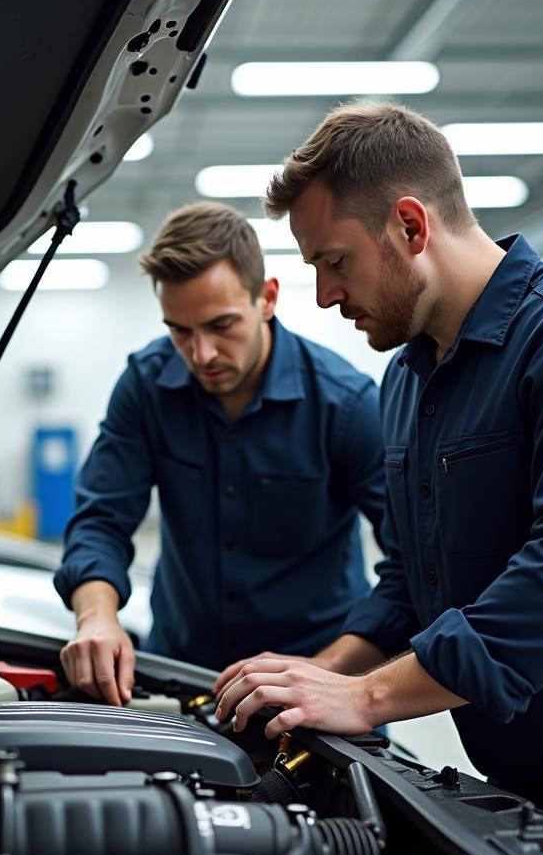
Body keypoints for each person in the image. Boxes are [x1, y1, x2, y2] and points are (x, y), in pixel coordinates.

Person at [214, 101, 543, 855]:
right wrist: (316, 677)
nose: (321, 295)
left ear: (411, 226)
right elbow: (414, 579)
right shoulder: (409, 379)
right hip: (520, 778)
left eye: (335, 261)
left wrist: (369, 696)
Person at [54, 201, 386, 706]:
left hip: (317, 688)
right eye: (180, 331)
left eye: (221, 324)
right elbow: (101, 517)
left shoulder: (346, 405)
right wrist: (95, 615)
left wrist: (328, 672)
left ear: (267, 299)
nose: (201, 354)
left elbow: (413, 563)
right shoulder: (145, 385)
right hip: (182, 677)